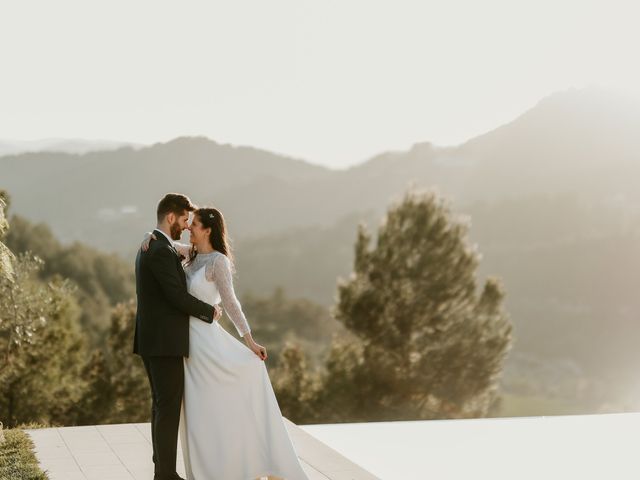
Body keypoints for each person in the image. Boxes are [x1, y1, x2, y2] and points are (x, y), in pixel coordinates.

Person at [141, 205, 309, 480]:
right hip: (186, 343)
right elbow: (166, 242)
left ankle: (252, 461)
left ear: (207, 230)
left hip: (205, 342)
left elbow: (231, 303)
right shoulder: (190, 254)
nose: (188, 228)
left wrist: (250, 341)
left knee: (224, 396)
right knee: (198, 410)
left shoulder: (218, 261)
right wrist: (150, 233)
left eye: (193, 225)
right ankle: (210, 467)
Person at [134, 193, 223, 480]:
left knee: (161, 405)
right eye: (184, 219)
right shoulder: (159, 250)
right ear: (170, 217)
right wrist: (210, 312)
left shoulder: (157, 244)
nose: (186, 226)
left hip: (155, 340)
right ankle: (166, 475)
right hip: (163, 343)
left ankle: (162, 470)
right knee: (168, 407)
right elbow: (176, 296)